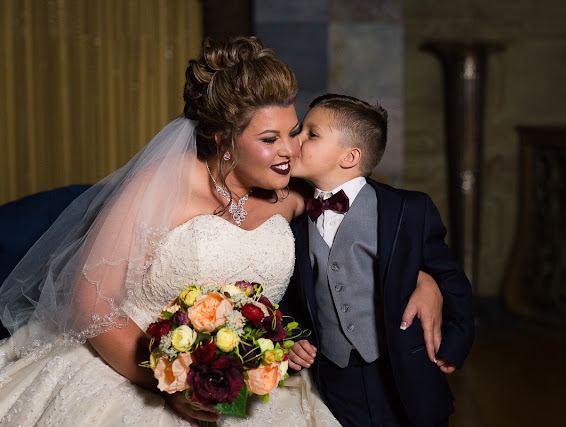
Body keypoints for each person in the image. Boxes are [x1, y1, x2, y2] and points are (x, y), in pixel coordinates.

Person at [0, 37, 443, 426]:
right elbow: (87, 301)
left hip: (249, 381)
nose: (291, 150)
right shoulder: (165, 184)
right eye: (270, 139)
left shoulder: (292, 193)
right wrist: (167, 385)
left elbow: (368, 226)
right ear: (222, 140)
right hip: (128, 364)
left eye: (292, 131)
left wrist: (422, 278)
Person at [283, 94, 475, 426]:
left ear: (350, 156)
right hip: (332, 371)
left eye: (310, 134)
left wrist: (456, 343)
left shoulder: (408, 210)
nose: (295, 140)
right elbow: (288, 293)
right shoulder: (293, 215)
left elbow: (450, 278)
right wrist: (292, 333)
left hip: (400, 367)